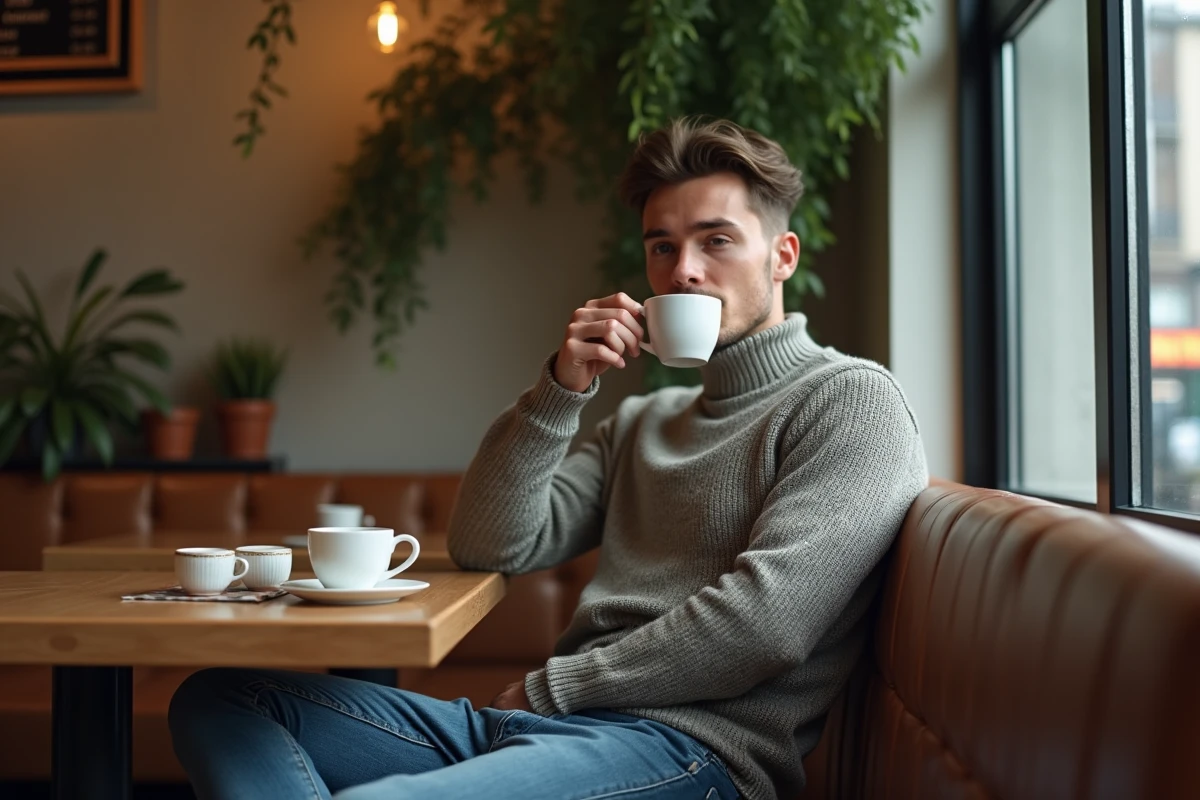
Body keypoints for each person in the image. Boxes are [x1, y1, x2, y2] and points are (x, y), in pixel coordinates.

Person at [168, 117, 928, 800]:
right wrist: (562, 387)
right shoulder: (646, 420)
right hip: (549, 725)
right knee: (222, 700)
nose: (684, 270)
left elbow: (766, 626)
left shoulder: (848, 401)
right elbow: (491, 544)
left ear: (782, 255)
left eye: (716, 240)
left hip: (690, 755)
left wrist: (552, 690)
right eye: (662, 246)